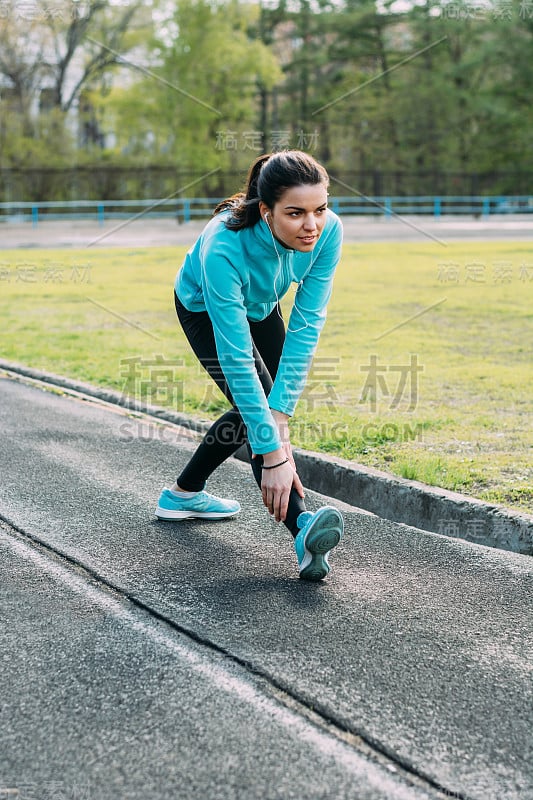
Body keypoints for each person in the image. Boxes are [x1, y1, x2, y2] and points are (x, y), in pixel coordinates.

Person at [155, 150, 344, 581]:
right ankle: (302, 529)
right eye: (295, 213)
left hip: (261, 304)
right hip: (205, 308)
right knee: (253, 403)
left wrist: (280, 418)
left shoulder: (328, 233)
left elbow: (307, 323)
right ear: (266, 210)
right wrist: (274, 454)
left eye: (320, 209)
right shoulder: (223, 246)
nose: (311, 225)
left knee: (263, 410)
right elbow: (237, 356)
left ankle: (183, 494)